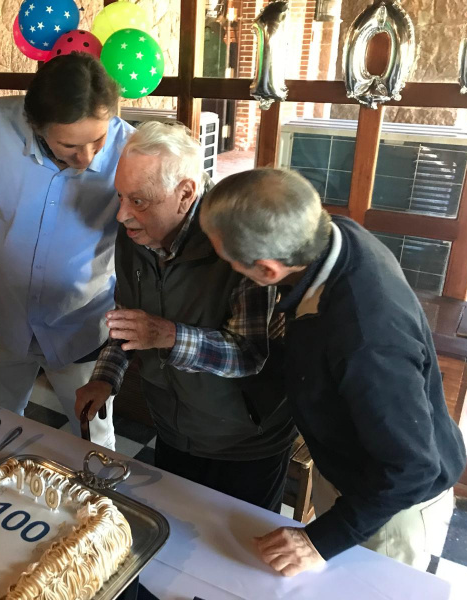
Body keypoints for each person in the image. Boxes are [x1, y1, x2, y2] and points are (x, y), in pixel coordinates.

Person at [200, 168, 467, 575]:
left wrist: (318, 540)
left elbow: (412, 469)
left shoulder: (366, 338)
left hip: (391, 506)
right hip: (352, 470)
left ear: (269, 271)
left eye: (228, 261)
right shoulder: (331, 235)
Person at [75, 122, 296, 511]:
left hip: (246, 441)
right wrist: (105, 378)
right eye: (120, 196)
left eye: (138, 201)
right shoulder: (136, 235)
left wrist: (168, 336)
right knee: (173, 530)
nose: (122, 215)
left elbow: (249, 355)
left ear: (185, 194)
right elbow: (130, 323)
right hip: (174, 429)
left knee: (238, 544)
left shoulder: (240, 238)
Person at [0, 54, 133, 449]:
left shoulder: (129, 147)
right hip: (1, 315)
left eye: (98, 140)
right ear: (36, 125)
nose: (87, 157)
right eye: (69, 145)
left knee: (95, 443)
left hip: (82, 323)